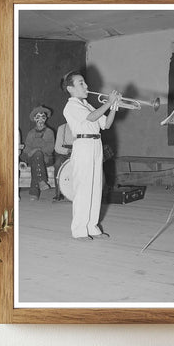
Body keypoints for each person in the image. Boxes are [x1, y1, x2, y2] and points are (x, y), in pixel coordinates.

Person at [61, 70, 121, 241]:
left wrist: (114, 105)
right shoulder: (71, 106)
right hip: (83, 145)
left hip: (96, 144)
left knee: (95, 188)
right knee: (83, 189)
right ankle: (79, 230)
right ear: (70, 88)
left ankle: (92, 227)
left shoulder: (86, 104)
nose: (86, 86)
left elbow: (106, 124)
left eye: (85, 82)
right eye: (81, 83)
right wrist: (109, 103)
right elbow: (93, 117)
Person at [20, 106, 55, 201]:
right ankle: (41, 181)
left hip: (46, 158)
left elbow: (50, 148)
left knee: (38, 155)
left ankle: (34, 192)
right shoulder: (31, 133)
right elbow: (26, 149)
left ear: (46, 119)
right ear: (34, 119)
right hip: (32, 158)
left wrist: (37, 149)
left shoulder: (49, 132)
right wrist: (34, 151)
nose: (40, 120)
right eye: (38, 117)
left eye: (43, 117)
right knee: (36, 157)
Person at [52, 122, 74, 202]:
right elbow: (57, 147)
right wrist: (68, 150)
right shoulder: (62, 128)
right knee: (57, 164)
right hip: (65, 152)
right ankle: (58, 192)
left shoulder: (81, 126)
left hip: (79, 151)